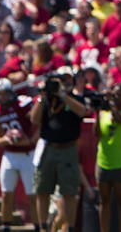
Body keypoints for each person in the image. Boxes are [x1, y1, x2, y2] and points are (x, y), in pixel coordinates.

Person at [30, 75, 87, 232]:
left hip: (68, 149)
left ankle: (70, 228)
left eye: (64, 82)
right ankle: (43, 227)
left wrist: (63, 95)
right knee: (42, 189)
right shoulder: (46, 100)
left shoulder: (75, 99)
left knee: (69, 192)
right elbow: (34, 119)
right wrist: (42, 97)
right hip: (48, 148)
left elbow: (82, 112)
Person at [0, 78, 39, 232]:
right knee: (6, 194)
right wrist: (5, 139)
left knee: (32, 196)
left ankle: (38, 227)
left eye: (5, 93)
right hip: (10, 155)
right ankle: (5, 227)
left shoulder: (23, 104)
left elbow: (40, 121)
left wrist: (32, 140)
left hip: (28, 154)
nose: (3, 97)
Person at [94, 81, 121, 232]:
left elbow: (120, 120)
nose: (116, 97)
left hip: (120, 162)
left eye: (120, 95)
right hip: (103, 161)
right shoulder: (104, 113)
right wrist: (98, 109)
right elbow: (96, 133)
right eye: (114, 94)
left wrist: (111, 103)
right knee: (104, 201)